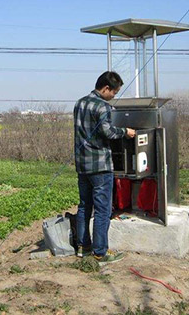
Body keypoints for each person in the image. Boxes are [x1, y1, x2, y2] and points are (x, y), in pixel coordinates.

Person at [73, 71, 135, 263]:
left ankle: (83, 247)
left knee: (84, 206)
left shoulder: (79, 103)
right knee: (102, 210)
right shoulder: (103, 107)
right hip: (100, 166)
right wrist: (126, 132)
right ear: (106, 88)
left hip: (83, 165)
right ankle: (100, 252)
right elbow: (107, 132)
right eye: (114, 93)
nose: (114, 96)